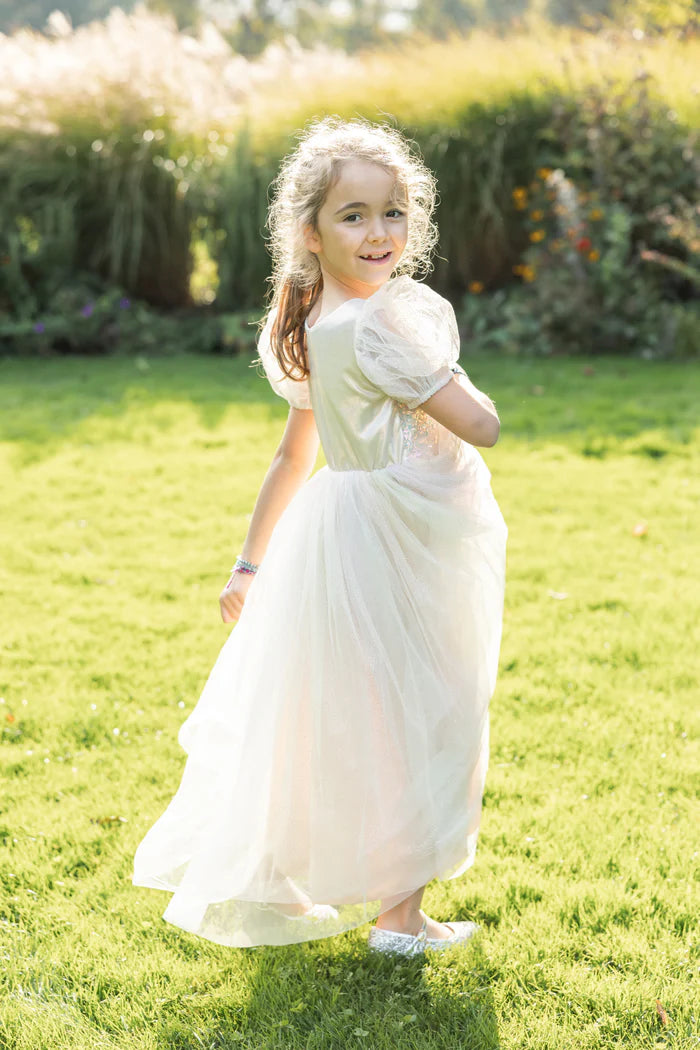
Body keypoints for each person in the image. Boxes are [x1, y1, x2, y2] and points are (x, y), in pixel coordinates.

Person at [132, 115, 508, 956]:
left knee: (332, 707)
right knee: (418, 710)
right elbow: (482, 425)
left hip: (337, 528)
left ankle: (283, 879)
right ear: (311, 231)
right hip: (398, 531)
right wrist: (440, 363)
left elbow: (293, 456)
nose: (379, 232)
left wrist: (249, 562)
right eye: (354, 215)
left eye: (393, 212)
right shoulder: (385, 328)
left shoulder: (309, 323)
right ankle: (399, 921)